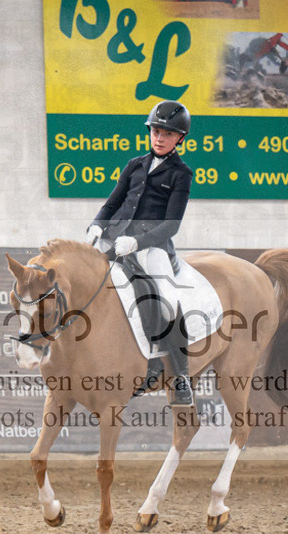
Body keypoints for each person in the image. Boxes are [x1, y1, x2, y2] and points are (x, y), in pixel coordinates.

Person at [86, 100, 195, 406]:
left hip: (152, 247)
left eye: (168, 134)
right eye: (156, 131)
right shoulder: (135, 164)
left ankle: (180, 376)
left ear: (179, 138)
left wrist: (137, 242)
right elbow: (112, 203)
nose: (160, 138)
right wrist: (97, 225)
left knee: (168, 301)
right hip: (114, 241)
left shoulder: (181, 174)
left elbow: (171, 225)